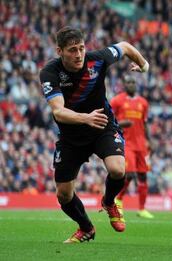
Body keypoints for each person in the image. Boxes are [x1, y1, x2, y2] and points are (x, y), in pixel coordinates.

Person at [39, 26, 149, 243]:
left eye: (81, 48)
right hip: (72, 136)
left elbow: (125, 46)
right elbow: (58, 111)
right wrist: (85, 118)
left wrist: (144, 65)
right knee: (63, 194)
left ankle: (109, 202)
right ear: (59, 51)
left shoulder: (97, 59)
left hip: (102, 127)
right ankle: (86, 228)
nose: (78, 54)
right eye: (72, 50)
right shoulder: (50, 73)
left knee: (118, 169)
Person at [110, 74, 154, 219]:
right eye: (128, 82)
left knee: (143, 175)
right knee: (129, 174)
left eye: (133, 82)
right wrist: (121, 124)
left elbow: (145, 123)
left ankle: (142, 208)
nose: (131, 84)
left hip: (141, 144)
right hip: (126, 143)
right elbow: (109, 121)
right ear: (124, 84)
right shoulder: (117, 101)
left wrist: (149, 140)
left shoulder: (143, 102)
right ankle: (118, 200)